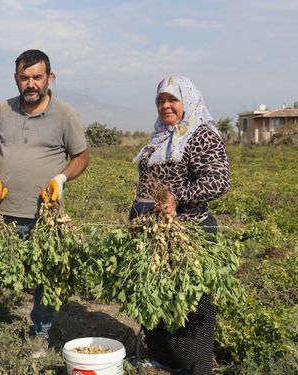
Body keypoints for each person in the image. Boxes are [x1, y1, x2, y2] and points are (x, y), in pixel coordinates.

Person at [0, 49, 90, 348]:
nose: (31, 84)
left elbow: (81, 156)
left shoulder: (65, 115)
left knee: (45, 277)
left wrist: (62, 178)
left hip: (46, 216)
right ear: (16, 79)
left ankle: (41, 333)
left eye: (37, 77)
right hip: (2, 212)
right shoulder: (2, 110)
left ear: (49, 78)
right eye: (24, 78)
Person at [130, 75, 231, 374]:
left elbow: (218, 180)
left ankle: (195, 367)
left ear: (187, 101)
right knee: (157, 298)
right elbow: (146, 187)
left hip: (191, 232)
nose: (166, 105)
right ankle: (165, 358)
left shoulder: (200, 135)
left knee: (191, 303)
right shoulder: (159, 137)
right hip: (157, 235)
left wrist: (177, 197)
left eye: (172, 99)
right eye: (160, 100)